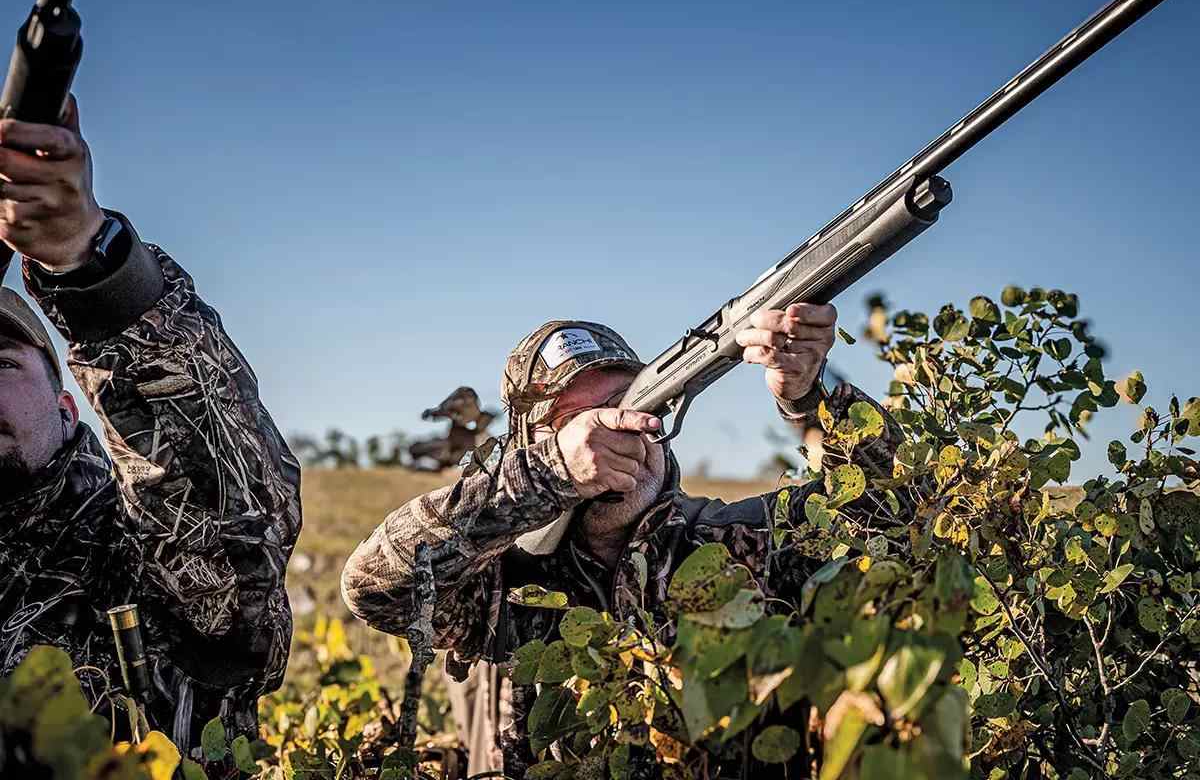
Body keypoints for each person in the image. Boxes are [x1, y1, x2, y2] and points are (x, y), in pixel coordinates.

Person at [342, 310, 900, 776]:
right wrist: (549, 475)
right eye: (576, 422)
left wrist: (811, 396)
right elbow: (374, 587)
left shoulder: (745, 539)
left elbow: (900, 518)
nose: (615, 430)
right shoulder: (500, 582)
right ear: (535, 448)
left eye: (630, 403)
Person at [0, 99, 301, 751]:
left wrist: (87, 264)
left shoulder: (124, 550)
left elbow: (227, 515)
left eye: (1, 363)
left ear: (66, 407)